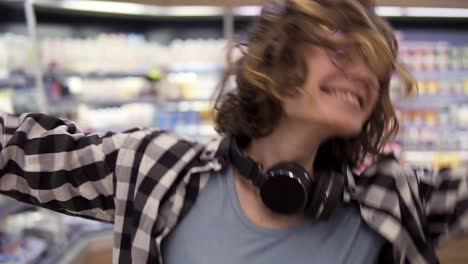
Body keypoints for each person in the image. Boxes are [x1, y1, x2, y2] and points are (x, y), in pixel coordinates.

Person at [0, 0, 465, 263]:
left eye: (378, 68)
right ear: (278, 62)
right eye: (344, 53)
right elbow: (18, 152)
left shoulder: (399, 197)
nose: (366, 75)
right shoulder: (153, 169)